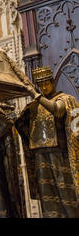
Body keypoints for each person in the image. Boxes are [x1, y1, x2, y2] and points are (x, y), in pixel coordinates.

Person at [15, 66, 79, 218]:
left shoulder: (65, 99)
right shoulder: (33, 106)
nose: (44, 87)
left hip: (60, 154)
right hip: (40, 154)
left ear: (52, 82)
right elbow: (21, 125)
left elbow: (57, 110)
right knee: (47, 195)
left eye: (46, 83)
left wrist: (35, 95)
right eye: (40, 84)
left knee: (66, 194)